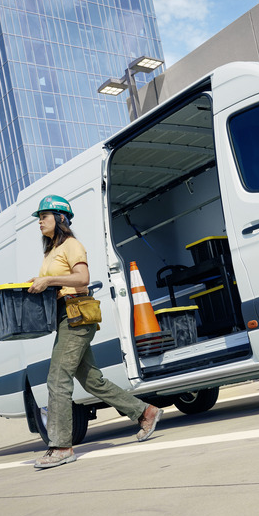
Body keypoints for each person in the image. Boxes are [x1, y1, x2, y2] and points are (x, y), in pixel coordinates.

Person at [27, 194, 162, 470]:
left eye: (45, 216)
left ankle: (61, 446)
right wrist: (37, 283)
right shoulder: (50, 252)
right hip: (64, 317)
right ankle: (145, 411)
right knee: (92, 381)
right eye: (39, 217)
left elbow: (82, 279)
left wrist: (50, 279)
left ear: (61, 219)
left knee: (57, 378)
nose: (40, 221)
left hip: (76, 315)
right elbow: (56, 282)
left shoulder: (72, 245)